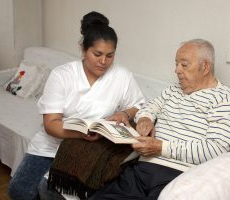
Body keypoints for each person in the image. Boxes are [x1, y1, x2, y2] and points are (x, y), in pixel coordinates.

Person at [8, 11, 145, 200]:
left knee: (47, 190)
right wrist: (80, 133)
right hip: (51, 145)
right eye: (97, 54)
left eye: (110, 55)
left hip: (88, 149)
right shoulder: (62, 75)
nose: (104, 62)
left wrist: (125, 113)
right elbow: (51, 124)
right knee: (19, 191)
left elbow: (137, 105)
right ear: (83, 49)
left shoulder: (122, 76)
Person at [88, 39, 230, 199]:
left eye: (184, 65)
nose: (177, 70)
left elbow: (215, 149)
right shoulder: (174, 90)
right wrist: (145, 119)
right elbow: (150, 107)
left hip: (182, 179)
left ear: (205, 67)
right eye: (176, 64)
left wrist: (161, 148)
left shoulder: (225, 99)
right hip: (142, 170)